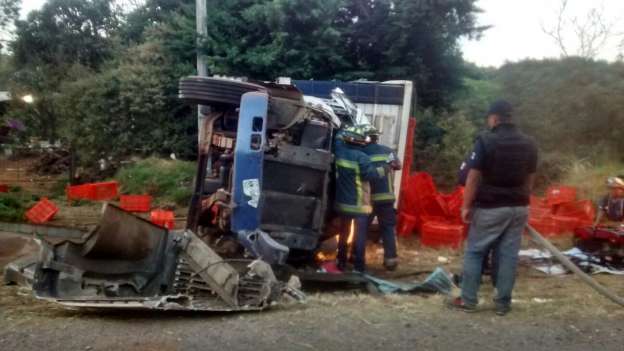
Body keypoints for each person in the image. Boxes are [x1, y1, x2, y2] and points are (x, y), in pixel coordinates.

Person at [448, 99, 538, 316]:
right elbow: (530, 177)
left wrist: (466, 206)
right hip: (518, 207)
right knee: (508, 255)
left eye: (489, 118)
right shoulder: (529, 143)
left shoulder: (486, 140)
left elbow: (473, 177)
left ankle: (468, 300)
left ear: (495, 118)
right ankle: (503, 304)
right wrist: (522, 200)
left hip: (490, 207)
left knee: (475, 252)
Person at [334, 125, 389, 272]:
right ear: (361, 142)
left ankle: (341, 263)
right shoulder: (362, 157)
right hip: (359, 206)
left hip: (343, 204)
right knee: (359, 237)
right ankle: (358, 267)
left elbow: (338, 139)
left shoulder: (339, 151)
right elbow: (369, 175)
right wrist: (385, 168)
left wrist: (342, 130)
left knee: (344, 234)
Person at [362, 126, 402, 271]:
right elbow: (398, 165)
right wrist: (388, 165)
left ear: (365, 139)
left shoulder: (361, 152)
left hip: (369, 199)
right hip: (386, 197)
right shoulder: (388, 151)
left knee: (362, 228)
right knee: (387, 228)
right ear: (377, 138)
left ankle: (355, 258)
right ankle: (390, 261)